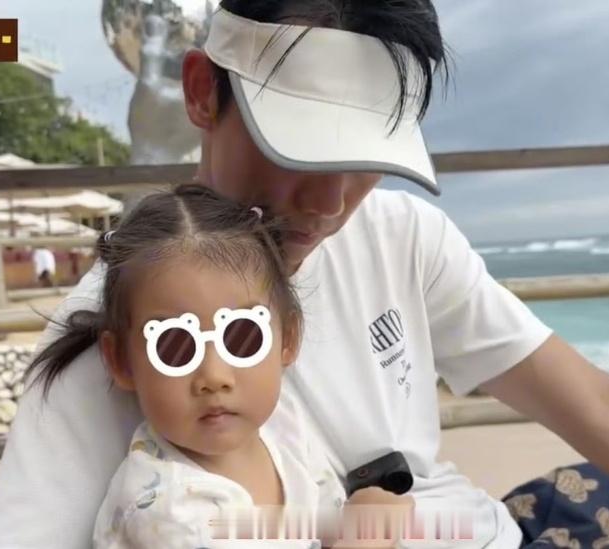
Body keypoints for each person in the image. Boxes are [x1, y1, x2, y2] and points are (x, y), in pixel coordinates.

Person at [0, 2, 609, 548]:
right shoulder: (120, 325)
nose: (330, 201)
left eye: (366, 158)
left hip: (493, 521)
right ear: (201, 92)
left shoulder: (398, 231)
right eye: (299, 147)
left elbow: (595, 406)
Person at [29, 185, 409, 549]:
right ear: (122, 361)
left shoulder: (284, 428)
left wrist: (360, 512)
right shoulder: (168, 512)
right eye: (175, 346)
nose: (214, 377)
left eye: (243, 337)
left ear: (288, 338)